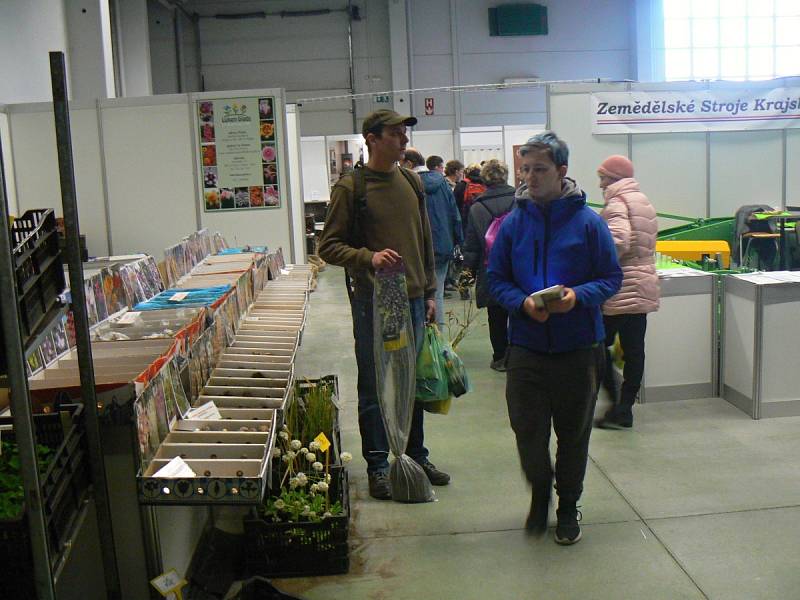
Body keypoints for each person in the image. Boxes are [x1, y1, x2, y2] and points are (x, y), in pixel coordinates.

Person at [487, 131, 622, 545]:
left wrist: (577, 297)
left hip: (579, 349)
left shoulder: (589, 224)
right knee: (527, 432)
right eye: (524, 169)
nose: (529, 178)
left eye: (539, 169)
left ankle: (567, 507)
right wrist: (522, 304)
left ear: (561, 171)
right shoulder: (512, 224)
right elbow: (496, 279)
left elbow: (611, 278)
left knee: (573, 435)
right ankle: (541, 491)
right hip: (526, 348)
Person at [318, 109, 451, 501]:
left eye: (404, 134)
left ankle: (414, 454)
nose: (404, 140)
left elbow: (423, 238)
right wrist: (368, 257)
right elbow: (328, 246)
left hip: (410, 297)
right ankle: (377, 463)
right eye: (395, 134)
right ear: (372, 138)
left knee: (412, 380)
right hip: (377, 300)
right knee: (377, 382)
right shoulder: (352, 188)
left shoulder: (411, 180)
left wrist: (429, 291)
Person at [593, 155, 659, 430]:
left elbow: (618, 240)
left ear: (615, 178)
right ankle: (625, 409)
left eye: (603, 178)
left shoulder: (618, 202)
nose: (600, 184)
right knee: (635, 351)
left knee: (596, 345)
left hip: (621, 285)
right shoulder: (642, 201)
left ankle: (613, 401)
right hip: (642, 284)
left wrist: (595, 261)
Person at [461, 159, 516, 371]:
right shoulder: (519, 199)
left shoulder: (477, 207)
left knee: (496, 315)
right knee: (518, 311)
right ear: (505, 175)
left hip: (491, 268)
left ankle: (500, 357)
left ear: (485, 179)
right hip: (517, 266)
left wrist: (467, 274)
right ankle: (519, 355)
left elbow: (473, 245)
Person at [407, 153, 463, 329]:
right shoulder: (443, 184)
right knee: (437, 293)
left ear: (408, 163)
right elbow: (455, 215)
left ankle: (421, 339)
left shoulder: (407, 183)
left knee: (414, 294)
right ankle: (439, 342)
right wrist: (458, 243)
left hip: (416, 248)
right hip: (442, 245)